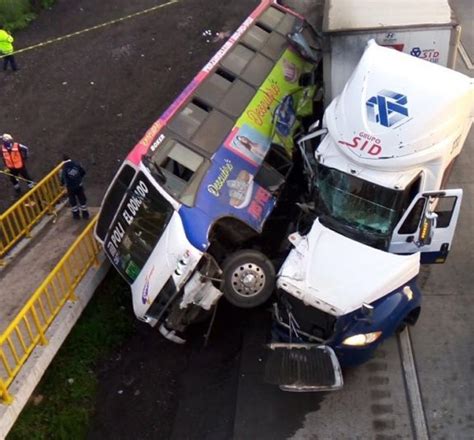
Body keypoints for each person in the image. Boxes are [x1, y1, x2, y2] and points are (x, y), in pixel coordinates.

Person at [60, 154, 90, 220]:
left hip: (70, 187)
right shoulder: (76, 164)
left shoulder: (64, 168)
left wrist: (61, 184)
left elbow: (63, 178)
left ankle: (76, 215)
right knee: (82, 199)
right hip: (79, 185)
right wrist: (79, 179)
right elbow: (83, 172)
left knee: (73, 201)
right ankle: (85, 214)